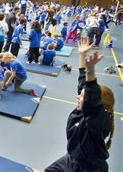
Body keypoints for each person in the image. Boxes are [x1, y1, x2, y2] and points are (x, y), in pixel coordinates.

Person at [46, 38, 114, 172]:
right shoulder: (85, 109)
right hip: (71, 158)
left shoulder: (97, 120)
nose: (78, 96)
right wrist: (82, 55)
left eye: (82, 96)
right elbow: (83, 81)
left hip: (87, 168)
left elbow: (91, 95)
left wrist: (91, 70)